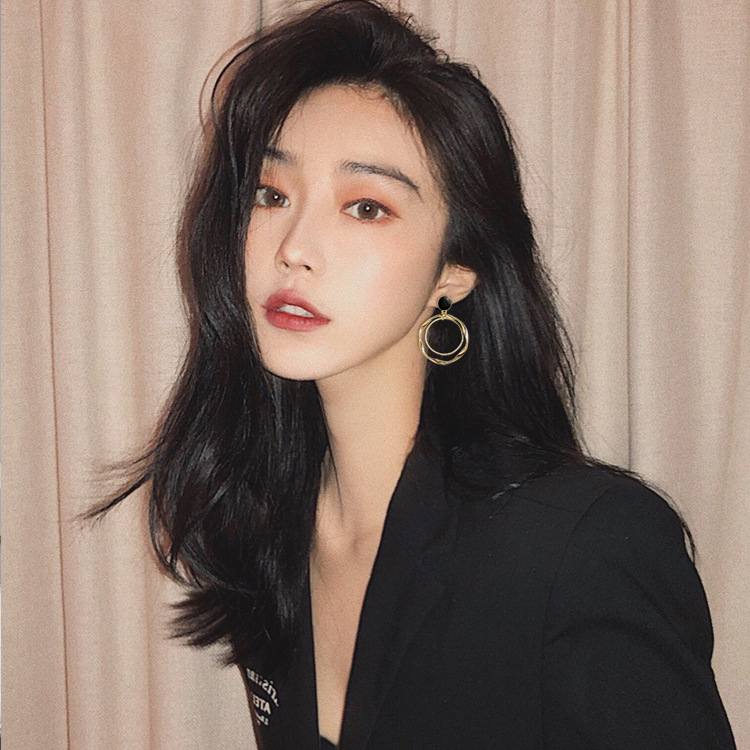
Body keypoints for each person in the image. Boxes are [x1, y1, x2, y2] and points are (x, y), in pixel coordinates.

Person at [93, 1, 736, 747]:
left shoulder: (585, 547)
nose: (293, 247)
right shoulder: (268, 527)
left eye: (366, 207)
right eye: (272, 194)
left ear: (455, 269)